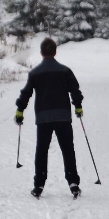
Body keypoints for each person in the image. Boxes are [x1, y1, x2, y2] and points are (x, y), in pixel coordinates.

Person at [15, 38, 84, 199]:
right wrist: (78, 106)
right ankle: (73, 183)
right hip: (63, 116)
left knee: (42, 150)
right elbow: (74, 90)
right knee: (68, 149)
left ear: (41, 53)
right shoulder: (65, 71)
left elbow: (26, 93)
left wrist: (20, 110)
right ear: (55, 52)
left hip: (43, 117)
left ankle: (38, 185)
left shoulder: (35, 73)